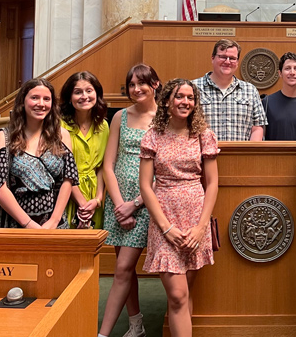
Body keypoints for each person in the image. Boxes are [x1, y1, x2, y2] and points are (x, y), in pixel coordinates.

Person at [139, 78, 219, 337]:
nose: (186, 102)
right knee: (176, 295)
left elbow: (213, 183)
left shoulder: (203, 135)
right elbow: (145, 186)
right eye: (179, 97)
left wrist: (200, 227)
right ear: (166, 102)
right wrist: (166, 228)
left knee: (185, 294)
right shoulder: (153, 135)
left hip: (196, 219)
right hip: (165, 220)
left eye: (190, 97)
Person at [98, 64, 161, 337]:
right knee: (126, 269)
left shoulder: (165, 118)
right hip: (118, 203)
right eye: (132, 84)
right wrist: (118, 204)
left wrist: (135, 204)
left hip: (146, 202)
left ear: (155, 84)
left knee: (122, 267)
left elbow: (165, 170)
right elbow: (108, 164)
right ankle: (135, 324)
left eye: (142, 83)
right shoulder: (120, 117)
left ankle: (103, 333)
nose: (137, 89)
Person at [0, 78, 77, 229]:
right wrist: (28, 224)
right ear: (22, 102)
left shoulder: (62, 135)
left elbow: (69, 179)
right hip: (13, 224)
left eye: (46, 99)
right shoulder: (4, 137)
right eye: (34, 98)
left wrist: (54, 221)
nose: (41, 104)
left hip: (54, 225)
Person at [59, 71, 109, 229]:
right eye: (77, 92)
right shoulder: (59, 125)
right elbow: (63, 169)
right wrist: (82, 204)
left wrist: (97, 200)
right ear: (69, 97)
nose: (84, 96)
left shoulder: (103, 126)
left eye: (89, 90)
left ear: (97, 93)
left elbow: (101, 167)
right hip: (66, 193)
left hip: (93, 197)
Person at [193, 38, 267, 141]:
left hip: (239, 156)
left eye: (232, 58)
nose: (227, 62)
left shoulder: (250, 90)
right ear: (212, 58)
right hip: (202, 155)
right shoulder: (193, 88)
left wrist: (250, 154)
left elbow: (257, 128)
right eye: (222, 57)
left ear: (237, 62)